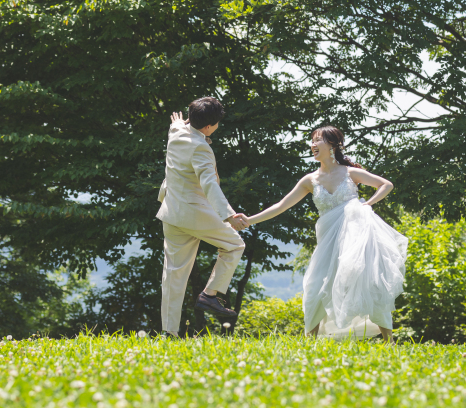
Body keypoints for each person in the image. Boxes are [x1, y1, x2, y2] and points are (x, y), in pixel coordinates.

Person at [246, 126, 408, 342]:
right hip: (327, 240)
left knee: (370, 284)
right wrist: (249, 220)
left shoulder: (350, 173)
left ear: (333, 145)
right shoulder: (309, 180)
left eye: (318, 140)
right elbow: (281, 206)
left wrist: (365, 205)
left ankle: (389, 342)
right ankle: (308, 342)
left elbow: (386, 185)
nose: (313, 145)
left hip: (356, 238)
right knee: (315, 286)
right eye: (312, 140)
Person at [156, 97, 250, 337]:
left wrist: (179, 122)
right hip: (194, 212)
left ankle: (169, 332)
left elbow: (176, 124)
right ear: (209, 127)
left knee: (173, 273)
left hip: (171, 212)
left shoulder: (176, 132)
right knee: (235, 245)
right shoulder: (201, 147)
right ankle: (210, 295)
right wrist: (228, 216)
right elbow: (209, 184)